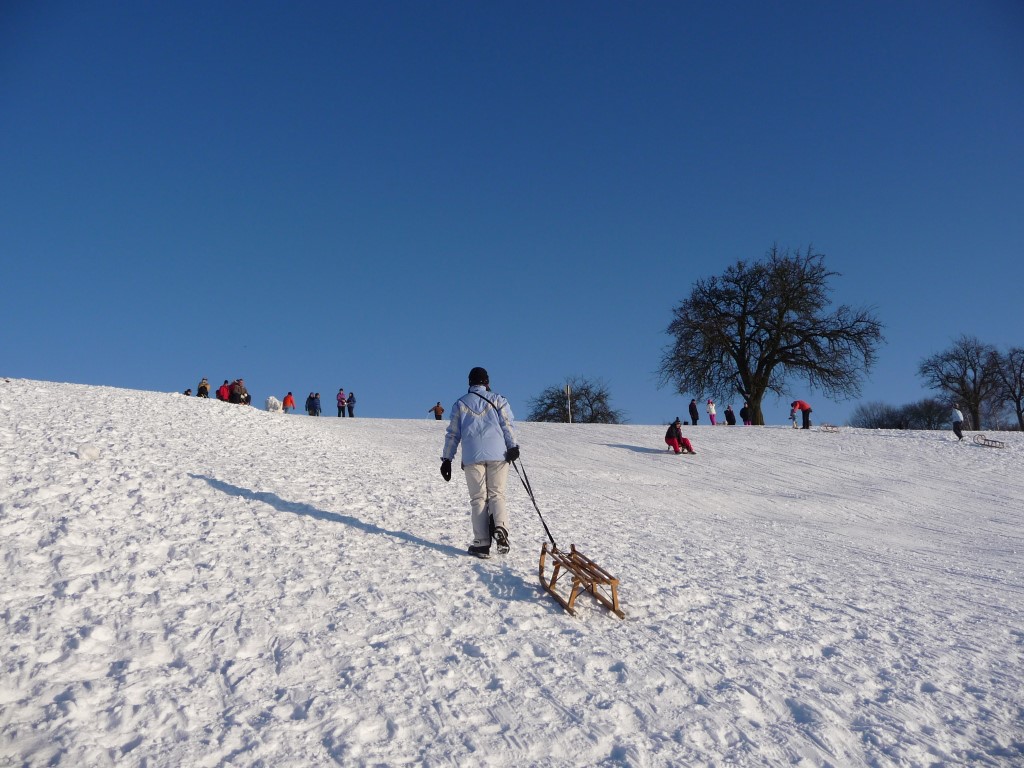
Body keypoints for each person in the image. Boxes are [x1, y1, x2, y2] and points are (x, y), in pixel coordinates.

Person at [440, 367, 519, 559]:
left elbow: (453, 434)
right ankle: (500, 528)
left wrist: (447, 459)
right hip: (499, 454)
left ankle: (482, 544)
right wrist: (513, 446)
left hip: (472, 456)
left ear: (470, 382)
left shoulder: (460, 404)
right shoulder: (499, 399)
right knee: (497, 494)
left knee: (478, 499)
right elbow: (507, 424)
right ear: (486, 382)